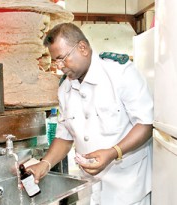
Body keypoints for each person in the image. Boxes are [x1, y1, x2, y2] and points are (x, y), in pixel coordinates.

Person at [27, 23, 153, 205]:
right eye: (56, 61)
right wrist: (44, 164)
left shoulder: (120, 73)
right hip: (90, 189)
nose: (60, 66)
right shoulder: (65, 89)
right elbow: (65, 136)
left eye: (62, 59)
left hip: (128, 188)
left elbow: (145, 125)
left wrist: (113, 153)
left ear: (83, 48)